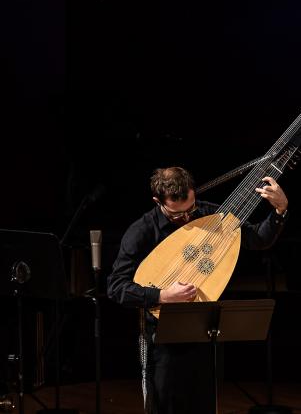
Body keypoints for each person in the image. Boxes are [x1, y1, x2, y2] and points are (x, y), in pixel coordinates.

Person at [107, 166, 290, 414]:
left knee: (203, 404)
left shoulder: (209, 215)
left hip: (204, 332)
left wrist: (280, 210)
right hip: (160, 340)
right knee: (165, 406)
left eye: (190, 210)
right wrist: (161, 295)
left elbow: (256, 239)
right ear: (157, 201)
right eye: (176, 215)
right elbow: (116, 287)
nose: (187, 219)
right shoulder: (142, 231)